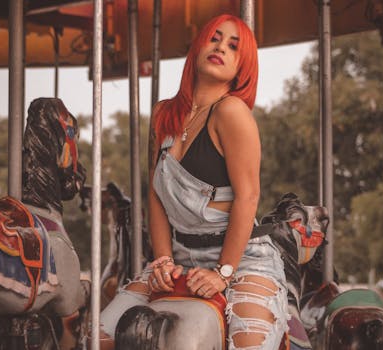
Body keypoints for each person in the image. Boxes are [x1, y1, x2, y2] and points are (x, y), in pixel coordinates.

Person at [99, 14, 289, 349]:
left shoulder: (232, 112)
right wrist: (162, 262)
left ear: (242, 67)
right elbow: (156, 196)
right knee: (99, 336)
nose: (221, 48)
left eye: (234, 46)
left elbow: (248, 196)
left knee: (249, 346)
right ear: (199, 45)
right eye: (215, 38)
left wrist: (223, 273)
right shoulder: (163, 115)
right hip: (181, 255)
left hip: (241, 258)